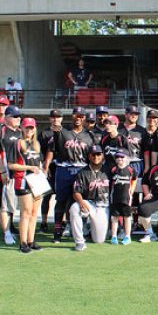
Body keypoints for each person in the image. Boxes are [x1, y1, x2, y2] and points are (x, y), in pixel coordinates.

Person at [44, 106, 94, 243]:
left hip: (81, 170)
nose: (78, 118)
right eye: (76, 115)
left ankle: (80, 228)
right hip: (64, 169)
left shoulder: (89, 135)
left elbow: (93, 156)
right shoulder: (62, 131)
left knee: (80, 201)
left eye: (81, 116)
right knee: (61, 200)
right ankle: (58, 229)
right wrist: (46, 166)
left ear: (84, 118)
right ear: (72, 116)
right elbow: (51, 148)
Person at [10, 117, 43, 253]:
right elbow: (11, 165)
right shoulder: (17, 144)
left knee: (35, 212)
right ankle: (23, 242)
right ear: (21, 128)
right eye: (27, 127)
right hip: (23, 180)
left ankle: (31, 240)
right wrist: (29, 168)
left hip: (36, 181)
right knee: (26, 212)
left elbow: (39, 163)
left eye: (31, 127)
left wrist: (40, 171)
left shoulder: (37, 144)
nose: (29, 130)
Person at [69, 145, 110, 251]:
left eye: (98, 154)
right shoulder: (83, 172)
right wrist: (81, 202)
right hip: (90, 204)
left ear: (102, 155)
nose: (96, 157)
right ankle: (80, 241)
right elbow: (76, 191)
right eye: (93, 154)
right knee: (74, 207)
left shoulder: (109, 170)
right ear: (89, 156)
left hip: (104, 206)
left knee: (98, 240)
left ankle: (90, 228)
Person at [1, 105, 23, 245]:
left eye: (19, 116)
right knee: (5, 205)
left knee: (12, 204)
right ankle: (6, 232)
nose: (18, 119)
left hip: (19, 173)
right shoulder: (2, 131)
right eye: (15, 116)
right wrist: (2, 171)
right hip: (6, 173)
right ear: (7, 117)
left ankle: (11, 227)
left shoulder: (20, 132)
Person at [39, 109, 63, 233]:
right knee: (46, 196)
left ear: (62, 119)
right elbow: (39, 151)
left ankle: (62, 222)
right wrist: (44, 167)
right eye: (53, 117)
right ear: (49, 119)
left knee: (62, 197)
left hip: (62, 167)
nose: (55, 119)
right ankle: (43, 223)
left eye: (58, 117)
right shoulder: (44, 133)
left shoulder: (65, 132)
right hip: (48, 168)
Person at [109, 150, 137, 245]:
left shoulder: (131, 170)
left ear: (127, 158)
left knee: (127, 217)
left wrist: (131, 191)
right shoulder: (113, 170)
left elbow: (134, 180)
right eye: (117, 157)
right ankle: (114, 236)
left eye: (122, 157)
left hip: (126, 199)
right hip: (115, 198)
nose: (120, 159)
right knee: (114, 217)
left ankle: (127, 236)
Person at [119, 104, 149, 178]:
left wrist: (147, 166)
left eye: (136, 114)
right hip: (121, 162)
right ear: (126, 115)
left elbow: (146, 150)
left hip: (136, 163)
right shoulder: (118, 129)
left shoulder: (142, 131)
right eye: (131, 114)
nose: (134, 116)